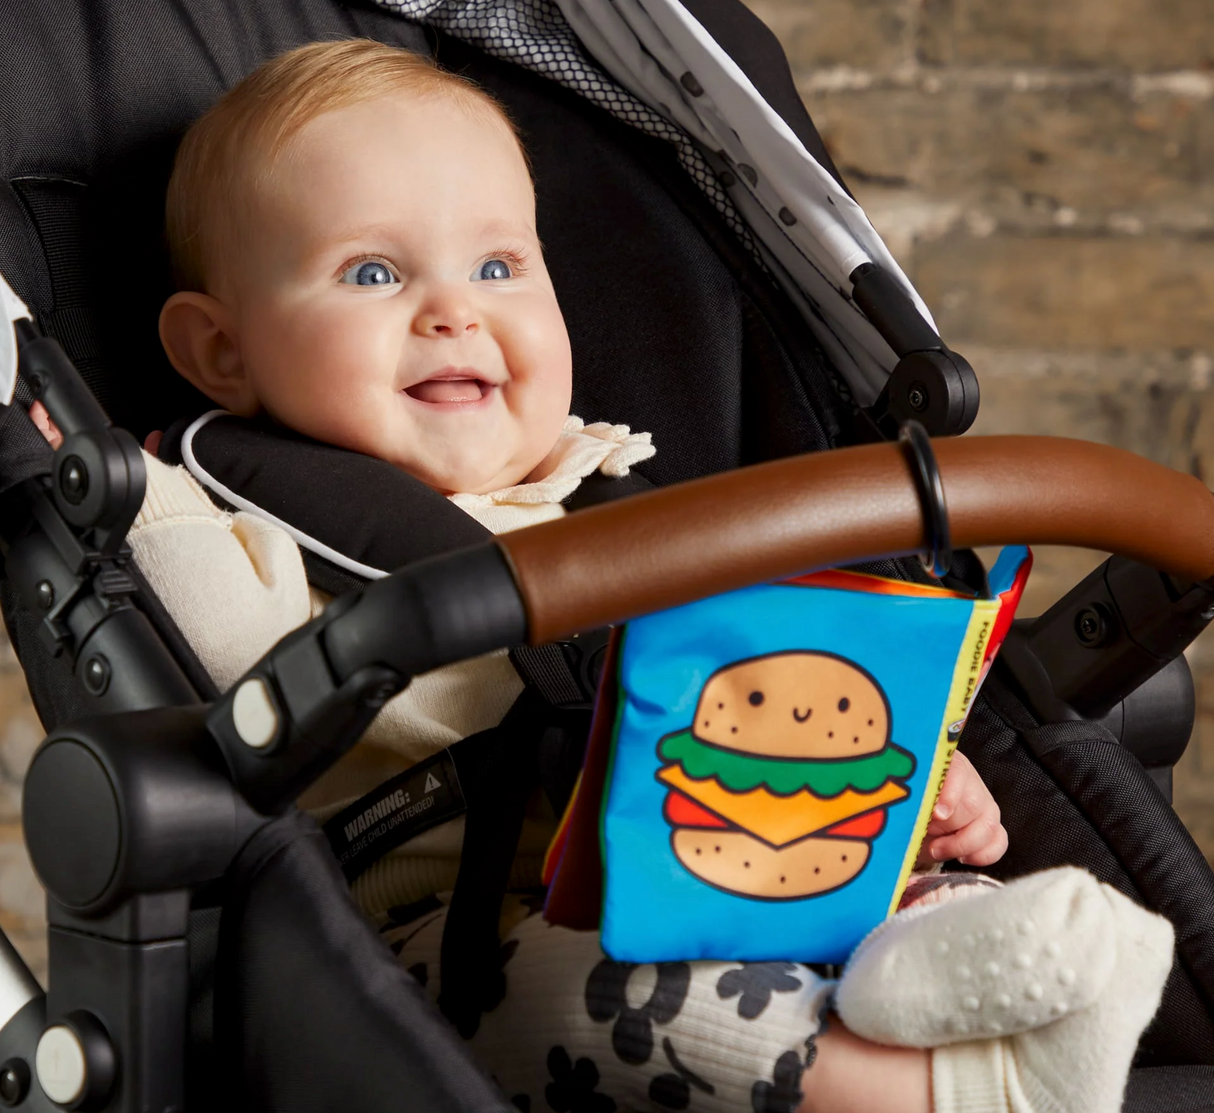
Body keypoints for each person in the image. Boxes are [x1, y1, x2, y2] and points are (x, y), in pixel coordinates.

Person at [30, 38, 1172, 1113]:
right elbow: (221, 651)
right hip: (465, 931)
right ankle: (966, 1094)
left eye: (497, 265)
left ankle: (986, 990)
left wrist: (915, 787)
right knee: (605, 989)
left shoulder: (625, 495)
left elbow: (780, 675)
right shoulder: (249, 524)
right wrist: (133, 500)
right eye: (372, 272)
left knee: (934, 897)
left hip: (750, 862)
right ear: (221, 351)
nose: (454, 310)